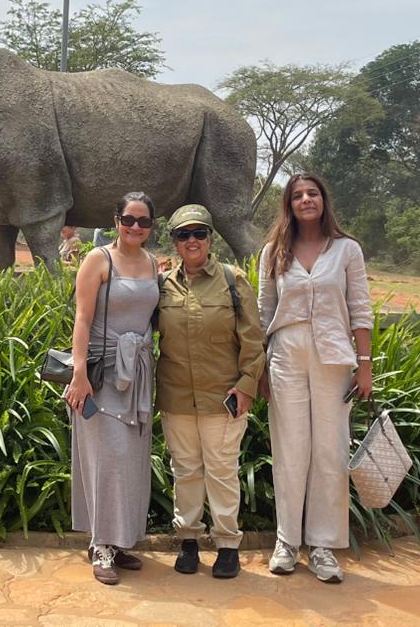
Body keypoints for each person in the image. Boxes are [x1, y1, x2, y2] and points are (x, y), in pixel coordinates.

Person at [257, 173, 372, 584]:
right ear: (288, 205)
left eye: (313, 193)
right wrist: (258, 369)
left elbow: (360, 308)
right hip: (286, 355)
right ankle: (286, 541)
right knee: (290, 451)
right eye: (298, 195)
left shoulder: (346, 250)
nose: (306, 200)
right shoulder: (273, 251)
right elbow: (263, 313)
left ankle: (323, 545)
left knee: (330, 451)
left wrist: (365, 365)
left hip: (333, 358)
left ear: (324, 200)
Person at [155, 204, 266, 579]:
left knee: (221, 472)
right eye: (184, 234)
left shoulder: (233, 281)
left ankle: (227, 546)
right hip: (177, 396)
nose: (192, 241)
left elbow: (253, 341)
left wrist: (247, 386)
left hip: (223, 396)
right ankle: (188, 541)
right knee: (185, 471)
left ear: (210, 238)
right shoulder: (163, 285)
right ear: (174, 241)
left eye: (199, 233)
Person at [65, 191, 160, 585]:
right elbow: (82, 319)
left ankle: (120, 541)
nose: (135, 227)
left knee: (131, 457)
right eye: (128, 219)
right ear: (115, 219)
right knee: (106, 455)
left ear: (152, 227)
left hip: (137, 373)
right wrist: (79, 372)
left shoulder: (154, 263)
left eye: (143, 221)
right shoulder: (97, 259)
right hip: (102, 372)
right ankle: (100, 543)